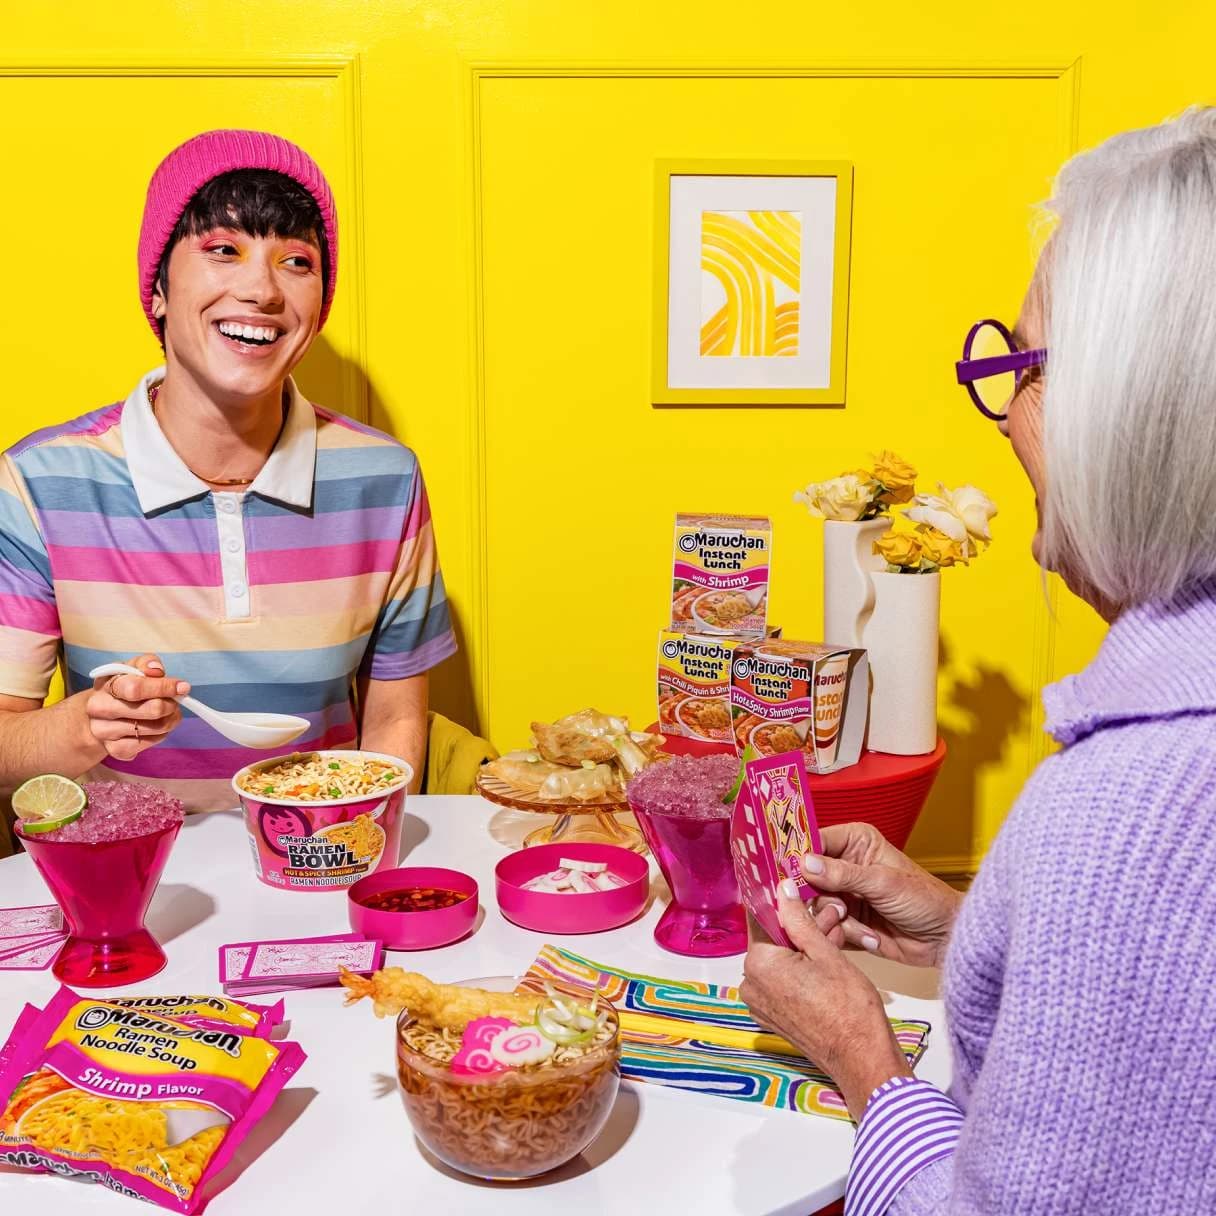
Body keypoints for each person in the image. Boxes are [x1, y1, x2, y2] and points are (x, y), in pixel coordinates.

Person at [740, 107, 1216, 1213]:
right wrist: (975, 930)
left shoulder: (1130, 807)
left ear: (1135, 408)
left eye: (1025, 365)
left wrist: (863, 1057)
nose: (1003, 417)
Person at [0, 130, 456, 819]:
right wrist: (85, 726)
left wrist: (357, 843)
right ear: (158, 288)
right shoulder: (40, 481)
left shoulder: (383, 478)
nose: (261, 289)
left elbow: (395, 716)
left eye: (296, 261)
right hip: (124, 867)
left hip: (321, 853)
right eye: (222, 250)